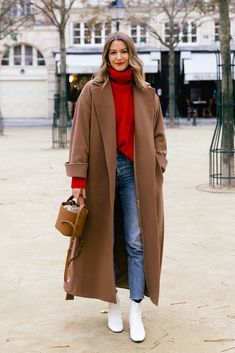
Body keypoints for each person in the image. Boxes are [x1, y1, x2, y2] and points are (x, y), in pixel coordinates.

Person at [65, 32, 167, 343]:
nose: (119, 57)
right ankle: (112, 303)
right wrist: (78, 180)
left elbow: (158, 135)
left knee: (136, 241)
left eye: (124, 51)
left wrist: (157, 163)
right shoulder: (92, 93)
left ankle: (136, 308)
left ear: (132, 55)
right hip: (101, 176)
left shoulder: (147, 94)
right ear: (106, 57)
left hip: (138, 175)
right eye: (113, 52)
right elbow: (80, 137)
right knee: (104, 239)